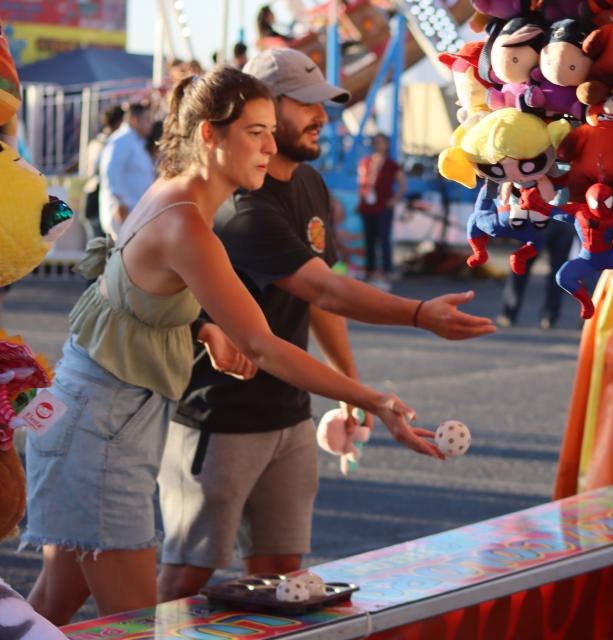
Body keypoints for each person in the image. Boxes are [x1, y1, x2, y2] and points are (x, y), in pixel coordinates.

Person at [23, 65, 450, 624]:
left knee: (51, 608)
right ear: (209, 133)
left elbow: (124, 289)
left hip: (91, 417)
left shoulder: (174, 195)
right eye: (256, 132)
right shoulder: (186, 221)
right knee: (136, 627)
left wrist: (202, 328)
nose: (271, 148)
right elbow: (267, 345)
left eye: (273, 131)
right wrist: (377, 400)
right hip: (101, 432)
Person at [156, 48, 494, 601]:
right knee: (188, 571)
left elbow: (319, 298)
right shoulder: (241, 206)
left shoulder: (309, 184)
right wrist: (416, 314)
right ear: (258, 111)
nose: (322, 116)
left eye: (324, 104)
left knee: (282, 571)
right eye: (305, 104)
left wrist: (350, 390)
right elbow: (323, 288)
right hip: (220, 414)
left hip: (291, 408)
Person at [496, 219, 577, 329]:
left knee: (520, 265)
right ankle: (549, 316)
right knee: (558, 271)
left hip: (538, 220)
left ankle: (509, 313)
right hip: (564, 222)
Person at [97, 101, 156, 239]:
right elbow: (110, 172)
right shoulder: (121, 140)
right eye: (147, 120)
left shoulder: (135, 142)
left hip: (135, 214)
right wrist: (120, 203)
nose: (151, 124)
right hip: (124, 214)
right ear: (135, 120)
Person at [357, 133, 406, 289]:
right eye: (376, 142)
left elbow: (402, 185)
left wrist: (395, 199)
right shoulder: (365, 163)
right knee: (369, 239)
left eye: (381, 142)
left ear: (386, 145)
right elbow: (361, 183)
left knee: (384, 238)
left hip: (384, 206)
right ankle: (370, 270)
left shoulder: (392, 165)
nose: (378, 145)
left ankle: (386, 270)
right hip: (368, 206)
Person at [82, 105, 124, 238]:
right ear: (119, 122)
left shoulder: (95, 142)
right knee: (101, 250)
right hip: (98, 201)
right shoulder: (110, 145)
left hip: (91, 198)